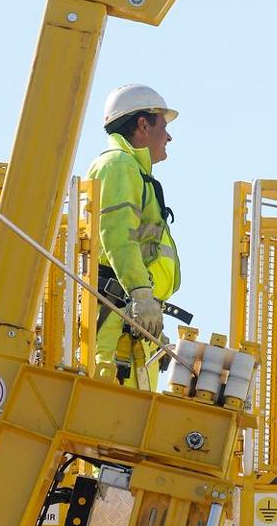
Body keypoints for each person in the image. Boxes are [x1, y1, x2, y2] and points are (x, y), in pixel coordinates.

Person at [86, 84, 181, 390]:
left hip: (126, 318)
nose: (168, 137)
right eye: (163, 127)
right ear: (142, 125)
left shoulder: (131, 171)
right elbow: (118, 237)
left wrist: (150, 318)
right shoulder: (118, 165)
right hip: (114, 318)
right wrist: (141, 294)